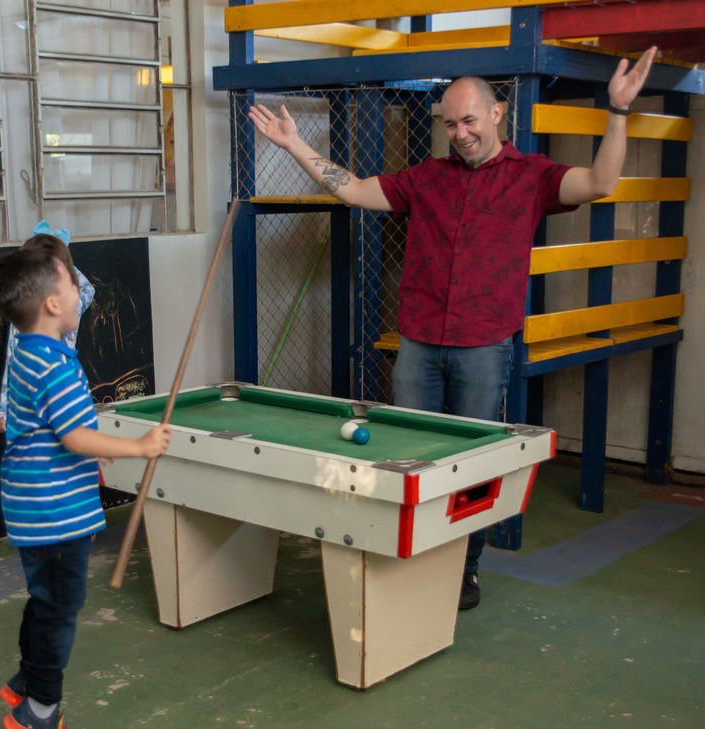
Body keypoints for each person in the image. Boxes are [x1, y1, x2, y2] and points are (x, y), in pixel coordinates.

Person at [248, 47, 658, 611]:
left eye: (468, 121)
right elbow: (354, 190)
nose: (459, 133)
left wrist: (617, 111)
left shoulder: (532, 177)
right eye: (449, 124)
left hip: (485, 348)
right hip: (418, 344)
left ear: (497, 114)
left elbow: (601, 182)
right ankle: (408, 558)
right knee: (406, 457)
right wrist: (294, 143)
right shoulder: (427, 179)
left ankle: (464, 571)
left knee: (470, 467)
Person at [0, 243, 171, 729]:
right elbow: (76, 437)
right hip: (55, 513)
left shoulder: (28, 350)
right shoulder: (58, 369)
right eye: (70, 285)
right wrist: (139, 446)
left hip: (29, 504)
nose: (78, 293)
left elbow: (52, 432)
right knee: (61, 609)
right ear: (51, 305)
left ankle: (26, 677)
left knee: (44, 597)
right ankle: (39, 710)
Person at [0, 222, 96, 433]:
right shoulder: (71, 304)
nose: (75, 294)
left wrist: (3, 409)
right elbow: (88, 289)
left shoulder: (26, 315)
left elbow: (12, 359)